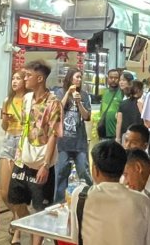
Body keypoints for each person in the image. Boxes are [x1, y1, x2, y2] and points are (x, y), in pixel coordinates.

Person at [8, 60, 63, 245]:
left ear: (40, 78)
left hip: (41, 163)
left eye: (28, 75)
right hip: (21, 160)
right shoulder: (26, 99)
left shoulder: (54, 103)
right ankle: (21, 230)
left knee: (40, 208)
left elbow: (54, 135)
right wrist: (16, 155)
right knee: (16, 200)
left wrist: (46, 165)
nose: (25, 78)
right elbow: (25, 128)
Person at [69, 141, 150, 245]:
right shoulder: (143, 202)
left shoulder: (80, 196)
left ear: (95, 170)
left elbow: (75, 238)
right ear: (122, 169)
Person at [54, 68, 93, 203]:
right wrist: (68, 94)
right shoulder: (60, 92)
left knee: (84, 171)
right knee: (61, 173)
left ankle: (91, 197)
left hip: (79, 141)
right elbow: (57, 110)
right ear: (70, 78)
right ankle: (59, 202)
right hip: (63, 142)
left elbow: (87, 116)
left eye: (80, 77)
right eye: (77, 77)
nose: (79, 80)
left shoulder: (84, 94)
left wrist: (79, 103)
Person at [0, 71, 26, 211]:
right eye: (13, 79)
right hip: (9, 140)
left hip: (23, 141)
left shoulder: (29, 99)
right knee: (4, 192)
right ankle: (17, 218)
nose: (14, 81)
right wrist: (5, 119)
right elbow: (4, 127)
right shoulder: (7, 100)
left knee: (17, 191)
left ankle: (17, 223)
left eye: (18, 78)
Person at [97, 69, 124, 140]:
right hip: (103, 132)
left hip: (116, 134)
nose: (113, 80)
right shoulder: (105, 92)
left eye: (116, 78)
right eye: (111, 77)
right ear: (107, 78)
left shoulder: (122, 93)